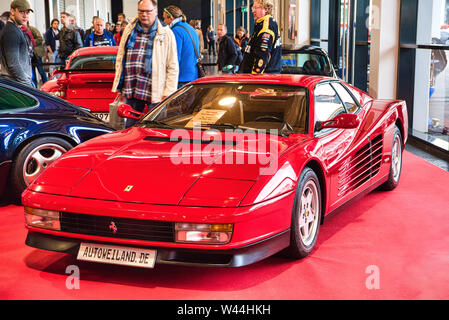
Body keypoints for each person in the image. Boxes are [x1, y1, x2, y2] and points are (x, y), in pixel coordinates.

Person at [112, 0, 179, 128]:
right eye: (141, 11)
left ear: (156, 11)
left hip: (155, 88)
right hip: (131, 85)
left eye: (148, 11)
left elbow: (172, 65)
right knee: (131, 127)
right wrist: (119, 83)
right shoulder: (129, 29)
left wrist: (169, 91)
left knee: (156, 128)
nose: (144, 14)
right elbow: (121, 56)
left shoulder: (166, 33)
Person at [239, 0, 282, 74]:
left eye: (256, 8)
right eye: (252, 7)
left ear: (266, 9)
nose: (253, 11)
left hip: (262, 79)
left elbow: (262, 57)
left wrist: (254, 79)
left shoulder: (266, 27)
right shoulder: (261, 24)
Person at [163, 5, 200, 88]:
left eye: (165, 18)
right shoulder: (190, 28)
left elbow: (175, 58)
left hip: (181, 78)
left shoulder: (175, 31)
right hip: (193, 76)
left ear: (171, 18)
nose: (164, 21)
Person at [0, 0, 34, 86]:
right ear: (12, 11)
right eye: (21, 12)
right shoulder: (11, 31)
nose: (25, 16)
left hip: (17, 82)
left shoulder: (15, 29)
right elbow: (13, 64)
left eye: (27, 12)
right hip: (16, 83)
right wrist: (27, 84)